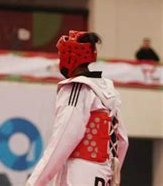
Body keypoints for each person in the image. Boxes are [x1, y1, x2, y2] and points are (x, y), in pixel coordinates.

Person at [26, 30, 129, 186]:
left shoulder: (78, 89)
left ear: (70, 57)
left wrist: (34, 182)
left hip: (79, 175)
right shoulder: (108, 93)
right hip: (102, 175)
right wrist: (110, 173)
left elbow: (62, 141)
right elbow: (122, 142)